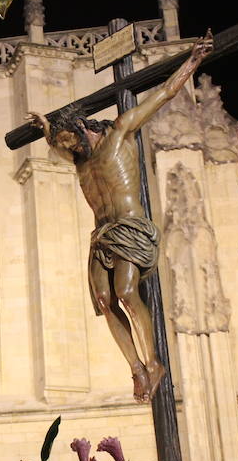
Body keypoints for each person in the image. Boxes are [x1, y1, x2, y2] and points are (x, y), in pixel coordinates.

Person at [26, 31, 213, 403]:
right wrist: (47, 132)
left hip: (130, 228)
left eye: (67, 140)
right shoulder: (79, 159)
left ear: (81, 129)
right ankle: (137, 369)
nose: (66, 149)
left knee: (127, 292)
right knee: (102, 300)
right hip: (101, 237)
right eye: (62, 143)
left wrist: (193, 61)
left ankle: (154, 362)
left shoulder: (120, 133)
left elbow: (164, 95)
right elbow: (55, 146)